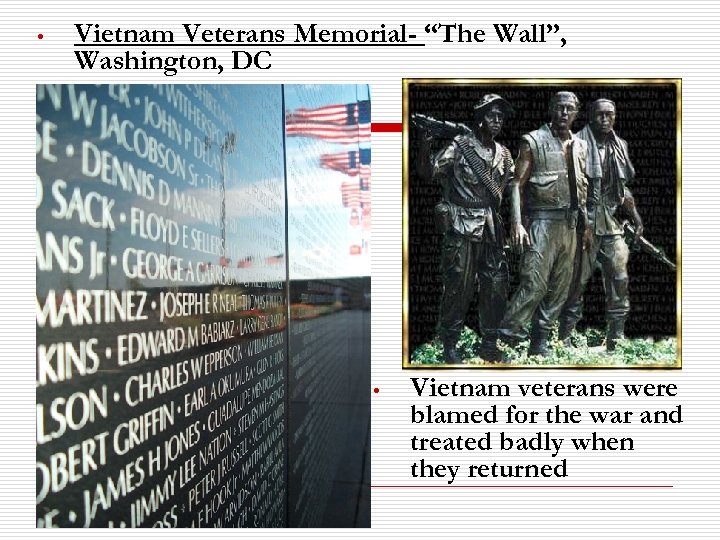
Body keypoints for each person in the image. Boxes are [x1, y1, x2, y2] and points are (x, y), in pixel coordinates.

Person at [416, 94, 515, 364]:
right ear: (479, 118)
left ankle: (490, 345)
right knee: (458, 287)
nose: (496, 120)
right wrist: (425, 144)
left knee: (496, 287)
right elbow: (428, 173)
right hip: (461, 224)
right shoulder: (459, 146)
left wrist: (517, 221)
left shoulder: (504, 153)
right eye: (491, 115)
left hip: (492, 228)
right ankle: (450, 344)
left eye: (500, 117)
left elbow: (512, 185)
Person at [497, 91, 590, 359]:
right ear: (551, 109)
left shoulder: (580, 146)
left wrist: (585, 229)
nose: (564, 113)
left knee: (560, 287)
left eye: (569, 108)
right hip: (541, 222)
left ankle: (540, 341)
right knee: (534, 285)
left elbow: (583, 191)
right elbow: (516, 184)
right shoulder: (533, 140)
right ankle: (506, 340)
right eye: (559, 107)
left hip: (570, 226)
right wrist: (517, 223)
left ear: (576, 112)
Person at [558, 98, 644, 351]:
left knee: (619, 279)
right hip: (584, 222)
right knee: (577, 281)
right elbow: (569, 187)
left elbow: (622, 189)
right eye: (599, 115)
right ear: (591, 116)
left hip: (613, 222)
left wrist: (636, 218)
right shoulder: (576, 144)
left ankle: (616, 339)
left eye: (610, 115)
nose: (605, 120)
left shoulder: (620, 146)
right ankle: (564, 338)